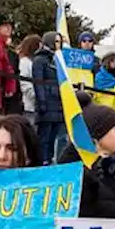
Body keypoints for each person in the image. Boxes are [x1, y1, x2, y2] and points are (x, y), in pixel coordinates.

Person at [30, 32, 65, 164]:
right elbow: (38, 83)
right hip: (47, 103)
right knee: (44, 137)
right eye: (56, 41)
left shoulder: (57, 59)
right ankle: (42, 160)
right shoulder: (40, 60)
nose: (59, 44)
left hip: (57, 103)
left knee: (53, 137)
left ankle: (49, 159)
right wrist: (42, 102)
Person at [16, 35, 41, 125]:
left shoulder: (36, 62)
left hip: (37, 106)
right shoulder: (24, 62)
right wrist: (37, 96)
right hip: (29, 105)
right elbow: (24, 84)